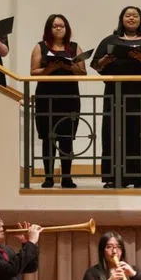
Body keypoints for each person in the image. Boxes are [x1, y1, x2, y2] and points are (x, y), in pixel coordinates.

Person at [91, 6, 141, 188]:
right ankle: (115, 177)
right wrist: (105, 60)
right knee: (113, 134)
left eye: (135, 15)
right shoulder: (110, 40)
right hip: (116, 95)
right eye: (128, 15)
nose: (131, 18)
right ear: (121, 19)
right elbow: (96, 65)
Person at [30, 14, 84, 189]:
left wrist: (70, 66)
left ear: (67, 28)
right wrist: (50, 68)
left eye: (62, 26)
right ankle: (48, 177)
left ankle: (67, 177)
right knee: (48, 137)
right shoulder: (40, 47)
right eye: (55, 26)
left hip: (69, 96)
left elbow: (82, 73)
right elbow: (33, 71)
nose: (59, 28)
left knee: (67, 138)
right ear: (49, 28)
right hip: (47, 96)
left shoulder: (75, 47)